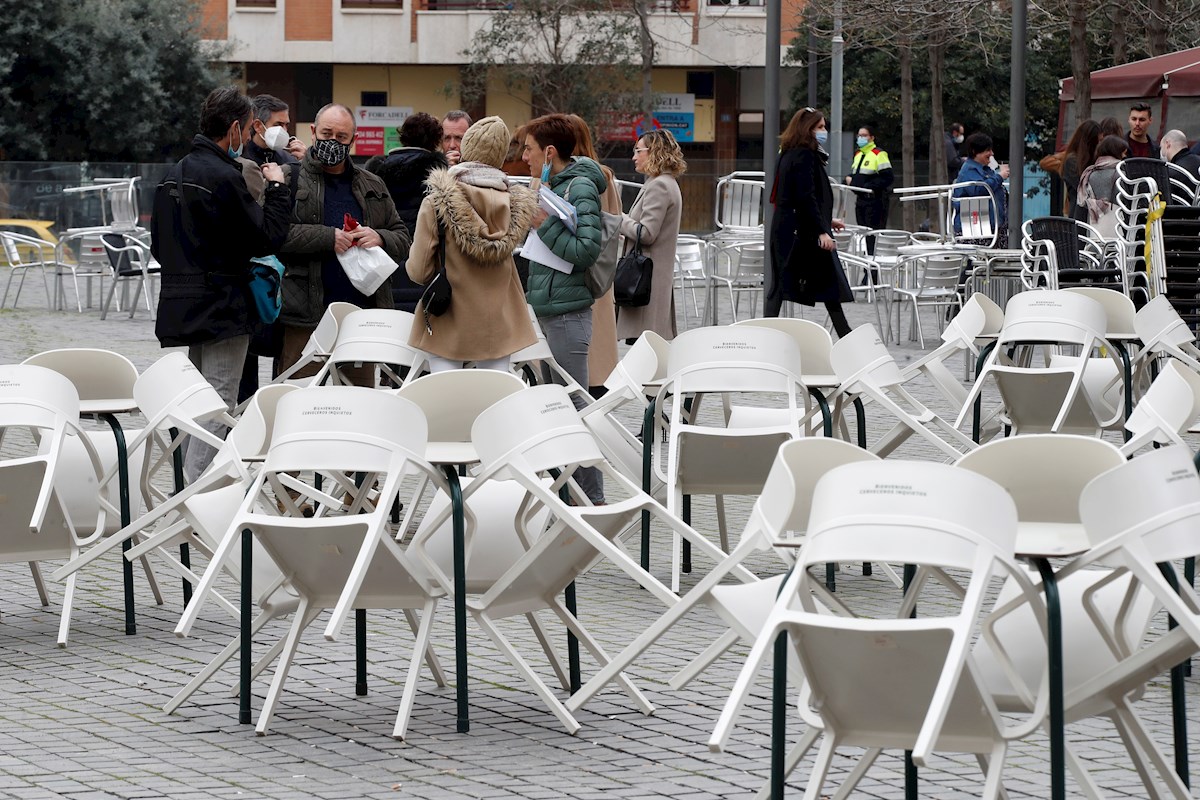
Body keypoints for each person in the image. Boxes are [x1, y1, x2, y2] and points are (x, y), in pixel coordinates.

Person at [151, 86, 290, 481]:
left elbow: (159, 245)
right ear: (233, 129)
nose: (246, 140)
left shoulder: (173, 172)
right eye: (246, 132)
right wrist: (278, 187)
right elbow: (266, 237)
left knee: (199, 399)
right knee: (219, 399)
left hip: (183, 300)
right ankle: (197, 493)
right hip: (224, 302)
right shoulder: (225, 177)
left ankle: (189, 485)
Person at [276, 103, 411, 386]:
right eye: (327, 134)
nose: (333, 142)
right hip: (306, 318)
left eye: (341, 137)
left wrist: (380, 237)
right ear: (313, 132)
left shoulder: (372, 184)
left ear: (353, 140)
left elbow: (403, 237)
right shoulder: (290, 179)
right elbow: (275, 235)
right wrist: (328, 238)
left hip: (360, 319)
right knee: (298, 400)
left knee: (357, 402)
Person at [406, 116, 538, 373]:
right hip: (501, 321)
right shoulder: (515, 204)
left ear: (467, 149)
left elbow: (418, 271)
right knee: (493, 399)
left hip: (448, 319)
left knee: (449, 401)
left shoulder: (437, 202)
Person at [521, 113, 606, 504]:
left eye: (529, 148)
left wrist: (543, 225)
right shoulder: (552, 184)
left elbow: (586, 251)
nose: (523, 156)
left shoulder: (582, 186)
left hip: (569, 314)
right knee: (558, 407)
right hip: (550, 309)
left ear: (549, 152)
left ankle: (591, 499)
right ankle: (568, 495)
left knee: (574, 406)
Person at [236, 93, 306, 405]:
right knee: (244, 360)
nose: (287, 132)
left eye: (288, 125)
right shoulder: (240, 160)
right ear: (258, 125)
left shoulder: (289, 159)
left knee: (285, 357)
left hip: (286, 274)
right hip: (251, 275)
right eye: (280, 124)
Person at [766, 107, 854, 336]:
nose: (824, 131)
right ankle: (846, 335)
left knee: (782, 286)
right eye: (820, 127)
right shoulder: (804, 155)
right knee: (825, 284)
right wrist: (822, 229)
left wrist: (826, 220)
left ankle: (765, 335)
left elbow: (798, 195)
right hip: (803, 231)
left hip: (790, 227)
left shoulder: (788, 153)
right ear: (808, 129)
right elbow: (806, 195)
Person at [364, 112, 448, 311]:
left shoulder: (374, 171)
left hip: (382, 264)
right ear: (436, 140)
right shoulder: (438, 175)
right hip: (422, 265)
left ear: (403, 136)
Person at [565, 114, 621, 393]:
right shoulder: (605, 177)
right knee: (595, 346)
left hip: (582, 268)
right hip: (600, 270)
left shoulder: (588, 179)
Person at [615, 128, 684, 344]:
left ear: (653, 152)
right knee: (646, 352)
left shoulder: (660, 185)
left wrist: (618, 219)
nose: (634, 157)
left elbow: (646, 233)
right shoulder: (662, 182)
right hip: (650, 281)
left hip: (645, 282)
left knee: (645, 351)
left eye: (638, 151)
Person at [953, 132, 1010, 248]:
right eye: (987, 150)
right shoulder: (969, 171)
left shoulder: (985, 170)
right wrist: (999, 177)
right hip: (976, 229)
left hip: (990, 227)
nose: (991, 153)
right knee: (981, 262)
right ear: (975, 152)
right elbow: (980, 189)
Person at [845, 126, 894, 246]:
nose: (861, 138)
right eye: (859, 135)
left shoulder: (879, 154)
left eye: (864, 135)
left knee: (873, 235)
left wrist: (868, 186)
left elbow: (888, 177)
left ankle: (873, 262)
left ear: (872, 138)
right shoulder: (858, 154)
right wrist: (848, 179)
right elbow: (858, 175)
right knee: (862, 234)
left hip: (875, 200)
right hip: (861, 200)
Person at [1077, 134, 1127, 237]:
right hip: (1117, 229)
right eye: (1123, 152)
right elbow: (1124, 201)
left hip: (1094, 229)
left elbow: (1084, 202)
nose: (1124, 156)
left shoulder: (1089, 174)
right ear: (1115, 151)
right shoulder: (1121, 174)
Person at [1061, 119, 1101, 221]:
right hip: (1080, 218)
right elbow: (1085, 189)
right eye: (1098, 142)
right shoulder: (1072, 161)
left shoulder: (1094, 160)